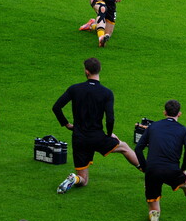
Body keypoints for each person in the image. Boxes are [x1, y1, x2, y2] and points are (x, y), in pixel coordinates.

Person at [53, 57, 141, 193]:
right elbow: (110, 118)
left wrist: (67, 124)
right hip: (97, 137)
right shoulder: (106, 93)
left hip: (79, 138)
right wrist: (109, 133)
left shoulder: (75, 89)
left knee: (83, 180)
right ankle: (146, 170)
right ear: (99, 70)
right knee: (124, 147)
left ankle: (74, 179)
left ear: (86, 72)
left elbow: (56, 107)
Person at [134, 99, 186, 221]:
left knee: (153, 199)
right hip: (172, 170)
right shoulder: (184, 130)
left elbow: (138, 148)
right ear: (179, 114)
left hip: (153, 170)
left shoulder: (153, 127)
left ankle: (155, 219)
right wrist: (183, 169)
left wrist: (146, 168)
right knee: (185, 184)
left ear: (164, 112)